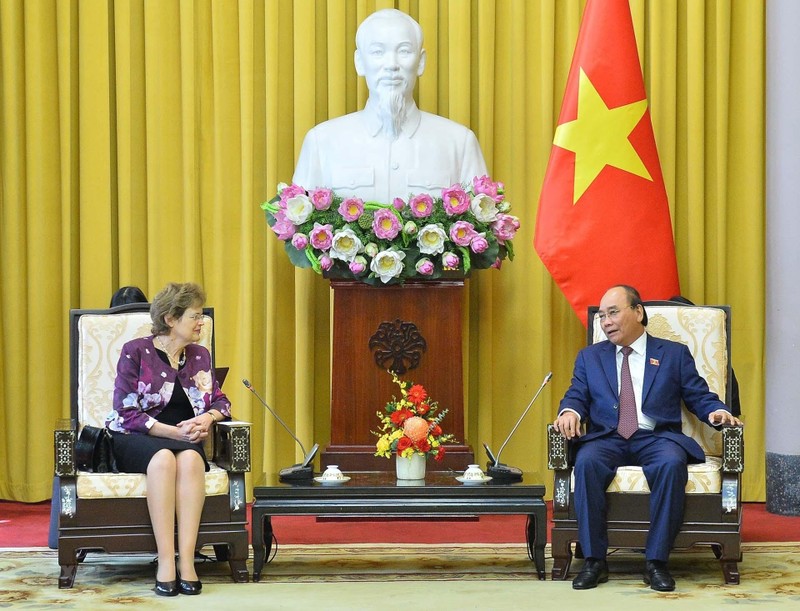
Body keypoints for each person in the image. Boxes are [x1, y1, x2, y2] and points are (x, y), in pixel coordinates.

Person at [553, 285, 742, 592]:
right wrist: (570, 411)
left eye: (613, 312)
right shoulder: (590, 357)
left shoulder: (672, 354)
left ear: (638, 312)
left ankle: (656, 562)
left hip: (655, 437)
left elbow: (698, 395)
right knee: (586, 462)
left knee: (670, 464)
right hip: (608, 437)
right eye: (602, 316)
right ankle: (594, 561)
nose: (606, 322)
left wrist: (717, 411)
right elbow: (577, 394)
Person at [105, 282, 230, 597]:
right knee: (162, 459)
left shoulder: (200, 355)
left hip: (184, 439)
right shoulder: (135, 352)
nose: (201, 322)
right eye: (195, 316)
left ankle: (187, 561)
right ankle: (165, 562)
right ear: (171, 320)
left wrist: (207, 418)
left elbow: (220, 402)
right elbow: (125, 412)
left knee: (189, 459)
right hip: (136, 437)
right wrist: (175, 432)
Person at [292, 8, 488, 202]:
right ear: (359, 62)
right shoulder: (322, 141)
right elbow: (298, 225)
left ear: (420, 62)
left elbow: (481, 228)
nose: (391, 64)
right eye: (378, 52)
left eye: (404, 51)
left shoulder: (459, 143)